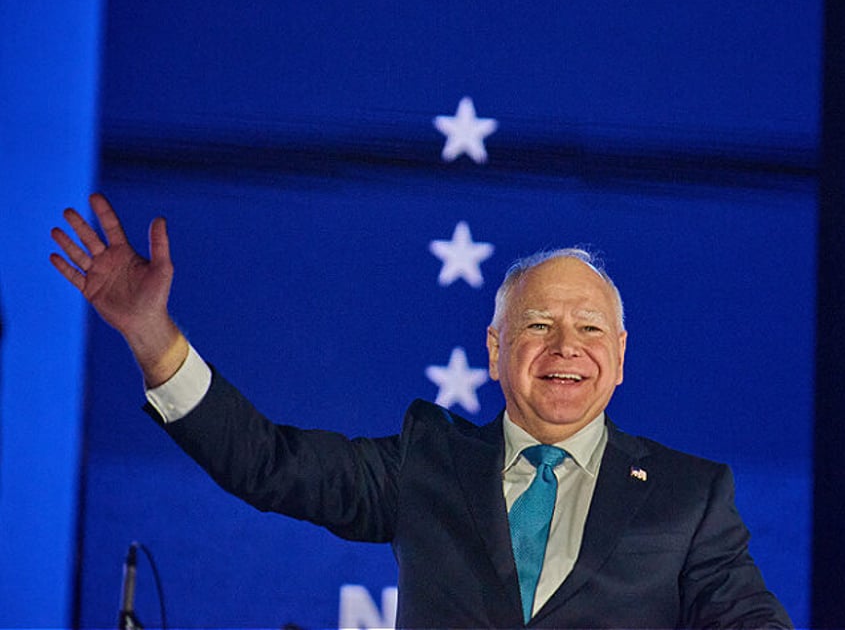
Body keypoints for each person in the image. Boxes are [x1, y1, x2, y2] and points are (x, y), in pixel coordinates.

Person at [51, 193, 792, 628]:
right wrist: (152, 337)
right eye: (538, 325)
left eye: (591, 328)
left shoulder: (689, 497)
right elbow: (267, 463)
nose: (566, 345)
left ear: (622, 356)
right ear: (496, 350)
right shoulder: (426, 461)